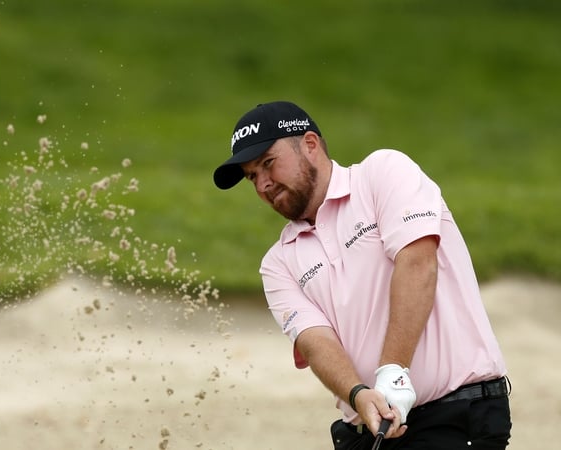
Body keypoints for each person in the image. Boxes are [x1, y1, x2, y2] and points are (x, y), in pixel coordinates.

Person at [213, 101, 511, 449]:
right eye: (252, 176)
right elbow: (316, 341)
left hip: (455, 415)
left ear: (310, 145)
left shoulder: (383, 173)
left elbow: (417, 262)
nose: (263, 184)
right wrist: (358, 395)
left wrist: (392, 372)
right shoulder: (278, 263)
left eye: (268, 164)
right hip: (369, 430)